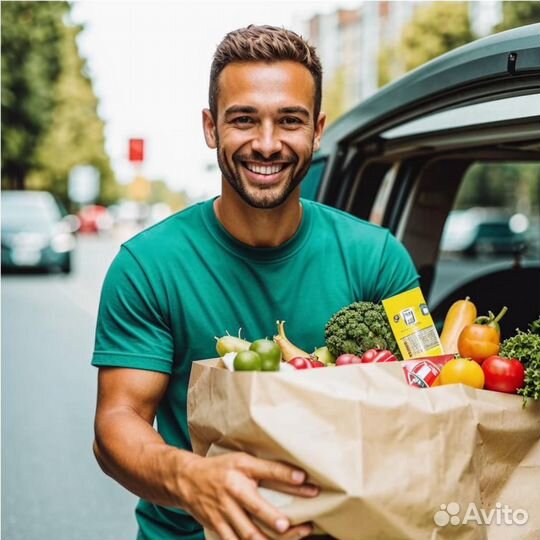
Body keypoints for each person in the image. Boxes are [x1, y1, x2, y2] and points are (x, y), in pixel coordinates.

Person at [92, 25, 419, 540]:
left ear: (316, 130)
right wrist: (190, 479)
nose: (267, 144)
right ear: (210, 127)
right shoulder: (146, 265)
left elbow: (430, 390)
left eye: (289, 121)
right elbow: (117, 420)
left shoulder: (379, 259)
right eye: (244, 120)